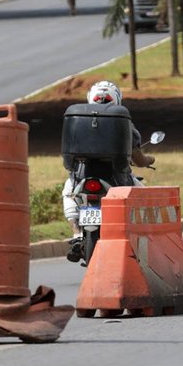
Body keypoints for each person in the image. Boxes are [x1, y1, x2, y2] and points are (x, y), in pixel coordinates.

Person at [64, 80, 154, 262]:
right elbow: (139, 158)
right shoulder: (125, 125)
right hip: (117, 177)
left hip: (82, 176)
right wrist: (149, 160)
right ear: (117, 99)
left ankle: (77, 232)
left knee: (68, 193)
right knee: (143, 198)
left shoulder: (77, 121)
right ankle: (141, 244)